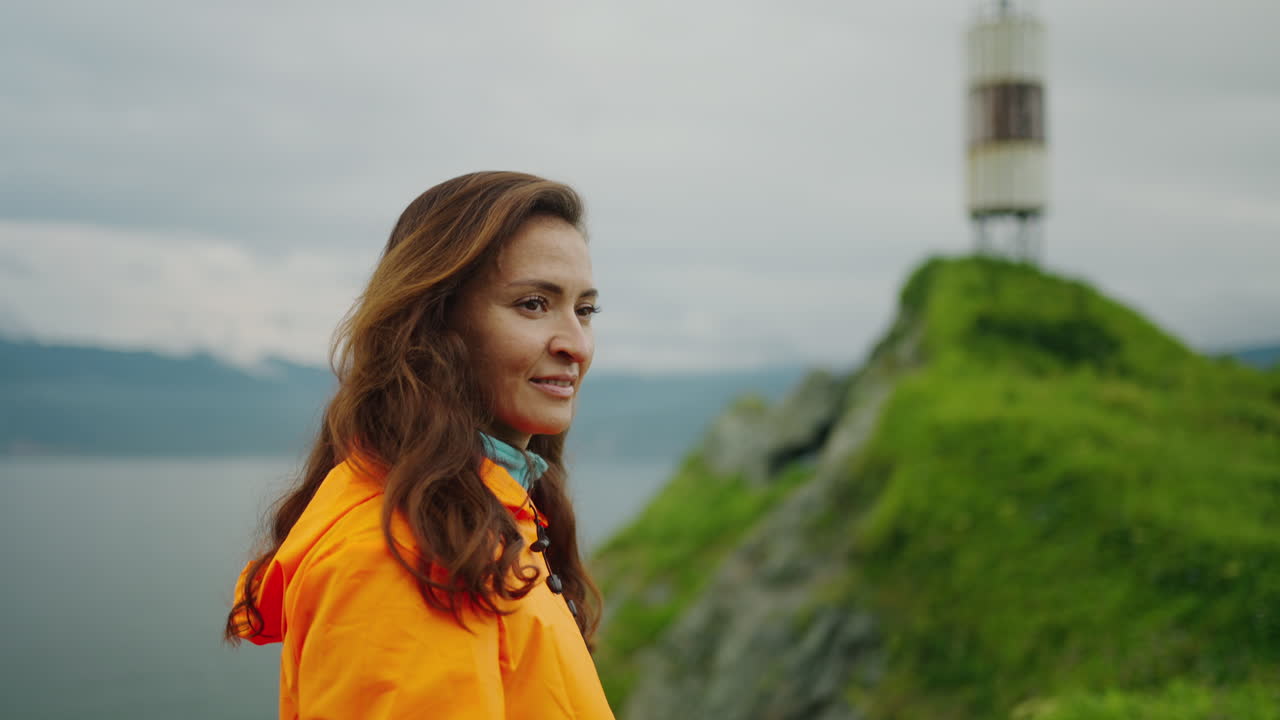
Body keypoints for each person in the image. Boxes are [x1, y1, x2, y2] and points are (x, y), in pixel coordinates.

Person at [224, 171, 615, 719]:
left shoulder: (477, 518)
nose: (575, 344)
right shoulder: (400, 555)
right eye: (532, 304)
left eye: (585, 310)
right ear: (434, 324)